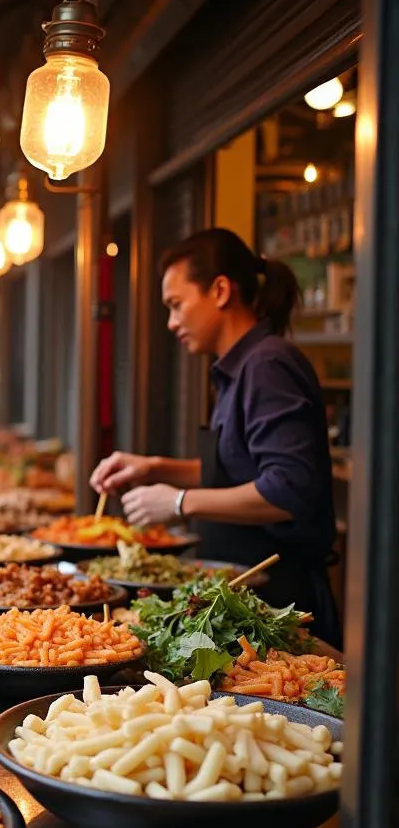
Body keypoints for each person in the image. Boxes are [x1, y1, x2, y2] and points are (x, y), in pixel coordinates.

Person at [91, 227, 341, 646]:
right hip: (247, 594)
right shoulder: (239, 367)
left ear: (221, 290)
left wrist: (177, 502)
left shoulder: (268, 365)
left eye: (176, 305)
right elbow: (242, 468)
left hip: (279, 604)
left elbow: (288, 488)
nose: (171, 323)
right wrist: (153, 466)